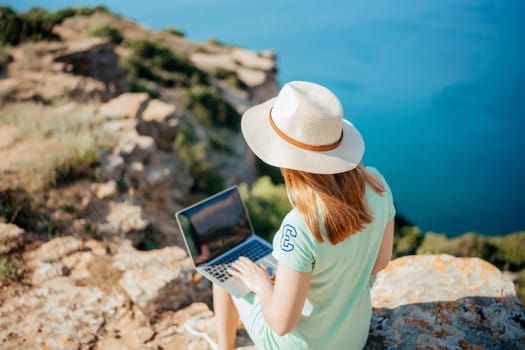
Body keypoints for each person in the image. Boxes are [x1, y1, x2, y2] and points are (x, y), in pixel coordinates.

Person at [213, 81, 395, 350]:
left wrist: (262, 283)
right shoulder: (378, 185)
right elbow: (379, 263)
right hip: (353, 339)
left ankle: (222, 347)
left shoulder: (299, 226)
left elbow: (281, 324)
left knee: (227, 274)